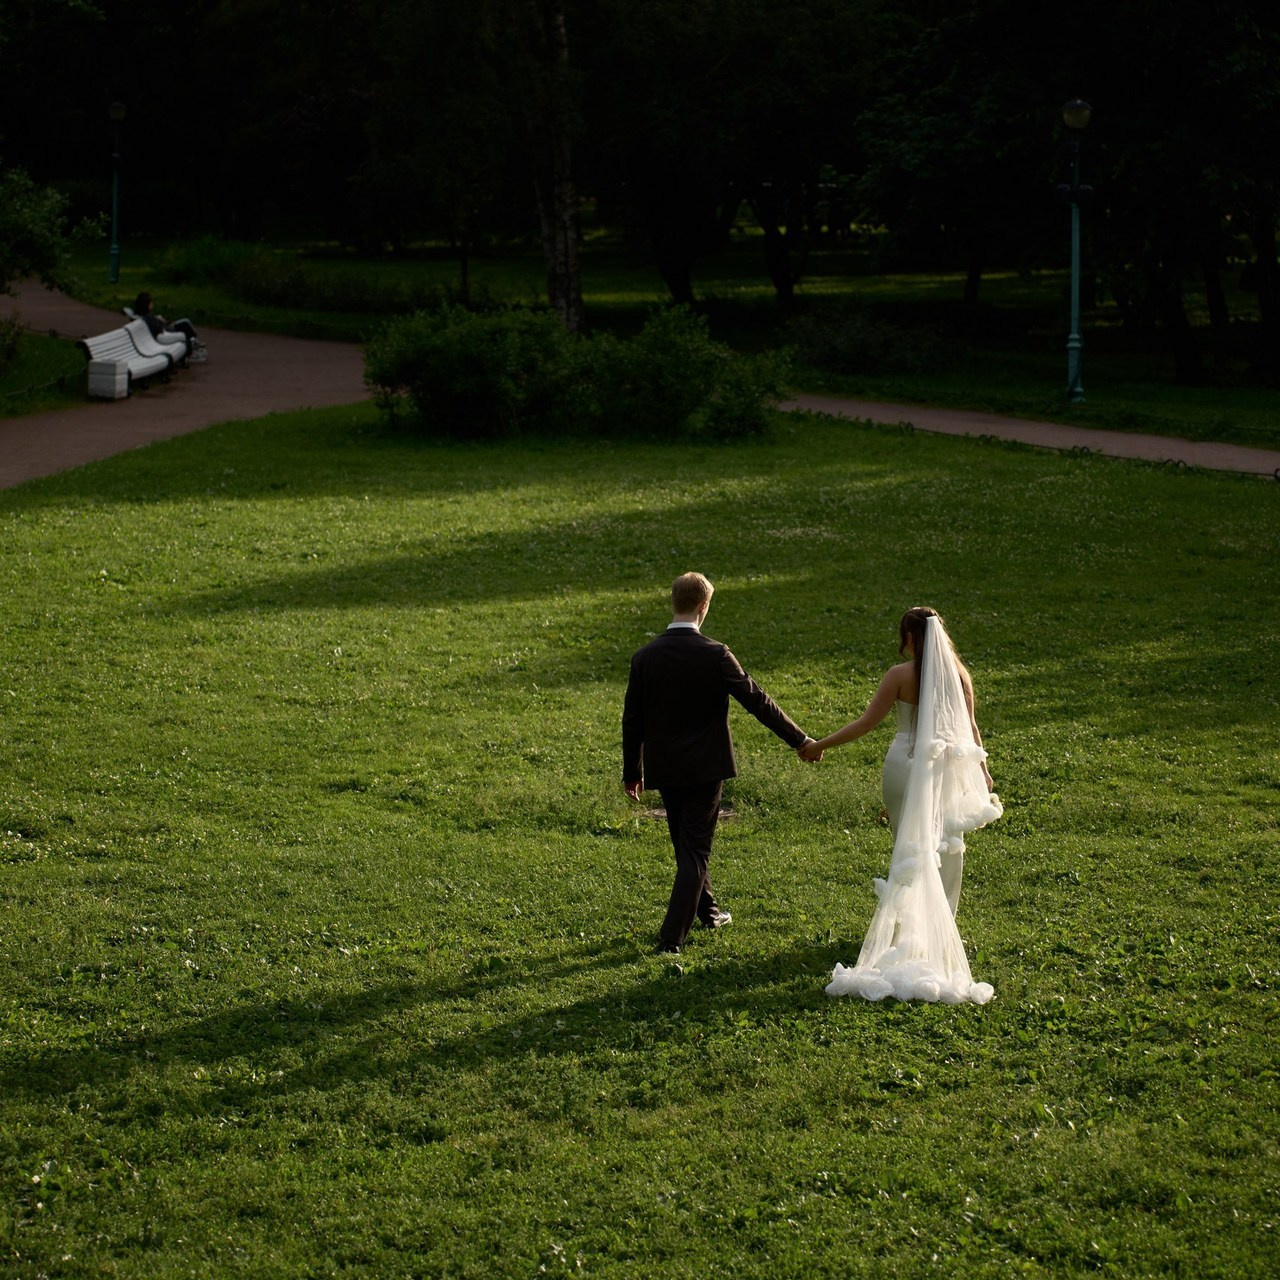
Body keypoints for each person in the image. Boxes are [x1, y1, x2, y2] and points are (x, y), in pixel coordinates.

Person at [801, 607, 1002, 1002]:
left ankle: (908, 931)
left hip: (903, 767)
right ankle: (940, 925)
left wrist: (818, 745)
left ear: (909, 638)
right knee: (946, 844)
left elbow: (866, 723)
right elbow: (973, 730)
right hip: (944, 768)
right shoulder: (959, 677)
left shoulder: (899, 676)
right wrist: (983, 773)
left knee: (907, 846)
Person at [623, 572, 820, 955]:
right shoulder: (715, 654)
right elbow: (757, 701)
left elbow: (632, 719)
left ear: (673, 602)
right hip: (706, 767)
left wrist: (634, 771)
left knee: (686, 846)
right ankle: (671, 940)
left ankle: (710, 913)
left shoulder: (644, 657)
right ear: (704, 606)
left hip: (665, 768)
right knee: (694, 852)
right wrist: (800, 739)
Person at [132, 292, 206, 362]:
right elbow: (158, 328)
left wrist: (161, 320)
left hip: (164, 329)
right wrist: (166, 324)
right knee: (185, 325)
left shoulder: (145, 315)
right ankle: (193, 346)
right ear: (147, 305)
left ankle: (194, 343)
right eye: (151, 303)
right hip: (165, 332)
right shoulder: (148, 317)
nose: (152, 304)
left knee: (185, 323)